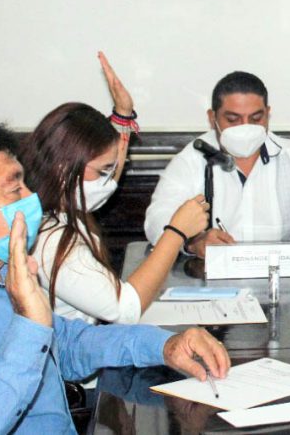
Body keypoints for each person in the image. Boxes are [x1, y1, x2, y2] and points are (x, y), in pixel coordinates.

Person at [0, 121, 230, 433]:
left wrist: (163, 346)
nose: (30, 197)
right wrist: (30, 325)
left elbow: (65, 345)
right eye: (14, 190)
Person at [27, 54, 211, 324]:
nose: (109, 182)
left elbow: (106, 166)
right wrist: (176, 232)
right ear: (64, 168)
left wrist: (122, 116)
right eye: (102, 172)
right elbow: (124, 309)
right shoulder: (51, 240)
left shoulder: (65, 208)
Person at [144, 71, 290, 253]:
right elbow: (156, 220)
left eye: (255, 118)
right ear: (212, 117)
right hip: (214, 283)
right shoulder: (193, 158)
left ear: (268, 115)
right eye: (233, 119)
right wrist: (193, 242)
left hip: (282, 281)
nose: (245, 127)